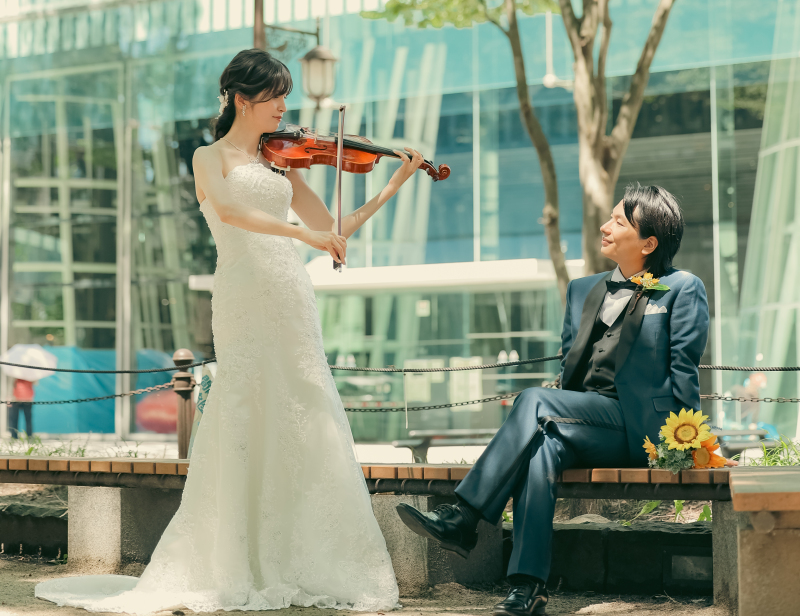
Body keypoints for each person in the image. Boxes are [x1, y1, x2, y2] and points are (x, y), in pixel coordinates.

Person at [37, 48, 424, 613]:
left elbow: (333, 227)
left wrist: (395, 184)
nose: (285, 108)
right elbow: (232, 212)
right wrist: (304, 237)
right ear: (243, 99)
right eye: (275, 96)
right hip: (243, 293)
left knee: (304, 409)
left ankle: (301, 558)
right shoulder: (207, 157)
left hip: (291, 295)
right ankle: (231, 563)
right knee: (247, 406)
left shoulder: (283, 162)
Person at [396, 184, 710, 616]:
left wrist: (687, 445)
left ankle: (465, 516)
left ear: (649, 242)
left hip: (639, 431)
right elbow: (570, 369)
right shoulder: (582, 290)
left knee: (534, 400)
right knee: (541, 448)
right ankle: (527, 589)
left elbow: (683, 370)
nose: (605, 225)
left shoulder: (681, 288)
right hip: (583, 423)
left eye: (619, 221)